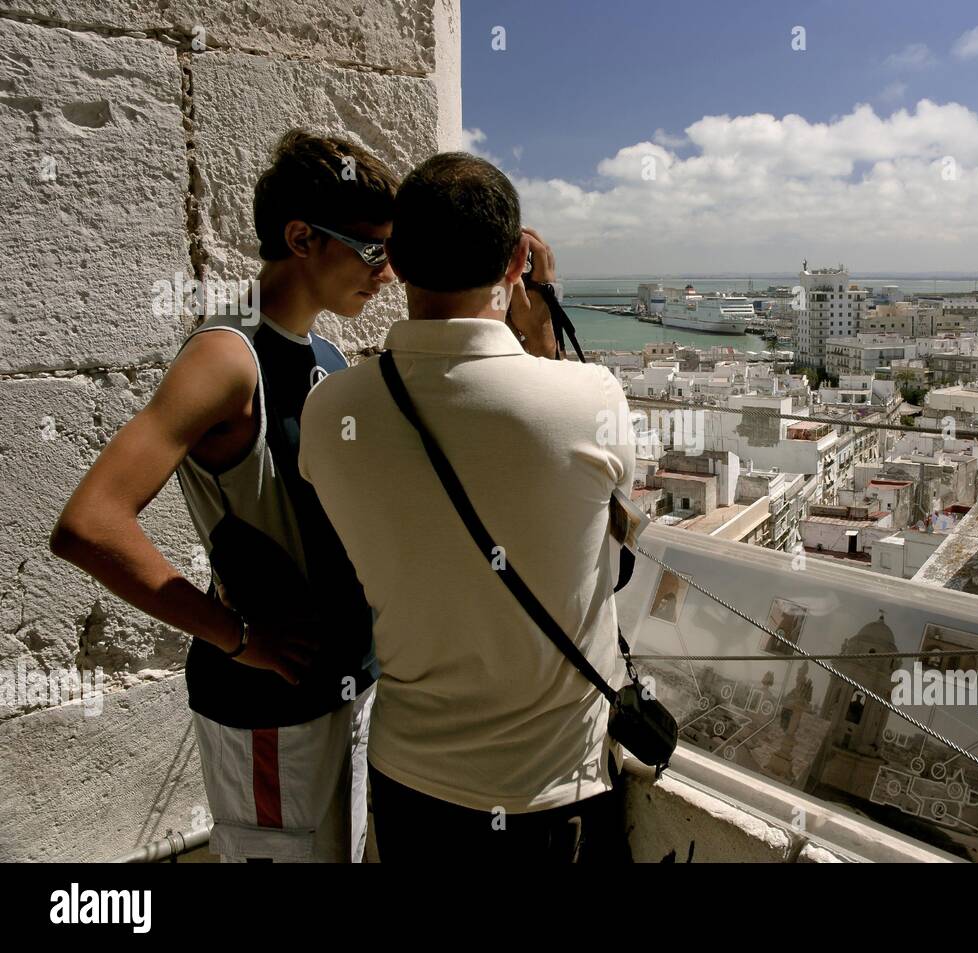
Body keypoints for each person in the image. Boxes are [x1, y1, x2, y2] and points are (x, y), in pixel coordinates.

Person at [50, 130, 399, 862]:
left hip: (345, 694)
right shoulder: (224, 356)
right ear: (302, 238)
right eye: (372, 251)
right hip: (270, 714)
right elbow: (89, 522)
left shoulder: (328, 356)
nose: (388, 274)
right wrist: (235, 638)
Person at [298, 152, 636, 862]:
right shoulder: (592, 399)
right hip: (554, 792)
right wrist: (540, 320)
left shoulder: (330, 411)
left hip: (409, 785)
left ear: (393, 259)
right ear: (518, 261)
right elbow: (602, 518)